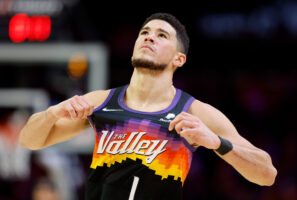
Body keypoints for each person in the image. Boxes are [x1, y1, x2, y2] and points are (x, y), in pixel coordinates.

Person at [19, 13, 277, 200]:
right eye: (144, 32)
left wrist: (216, 142)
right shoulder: (102, 102)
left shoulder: (194, 112)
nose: (149, 37)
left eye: (161, 35)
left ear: (179, 58)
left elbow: (267, 173)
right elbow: (29, 140)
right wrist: (52, 113)